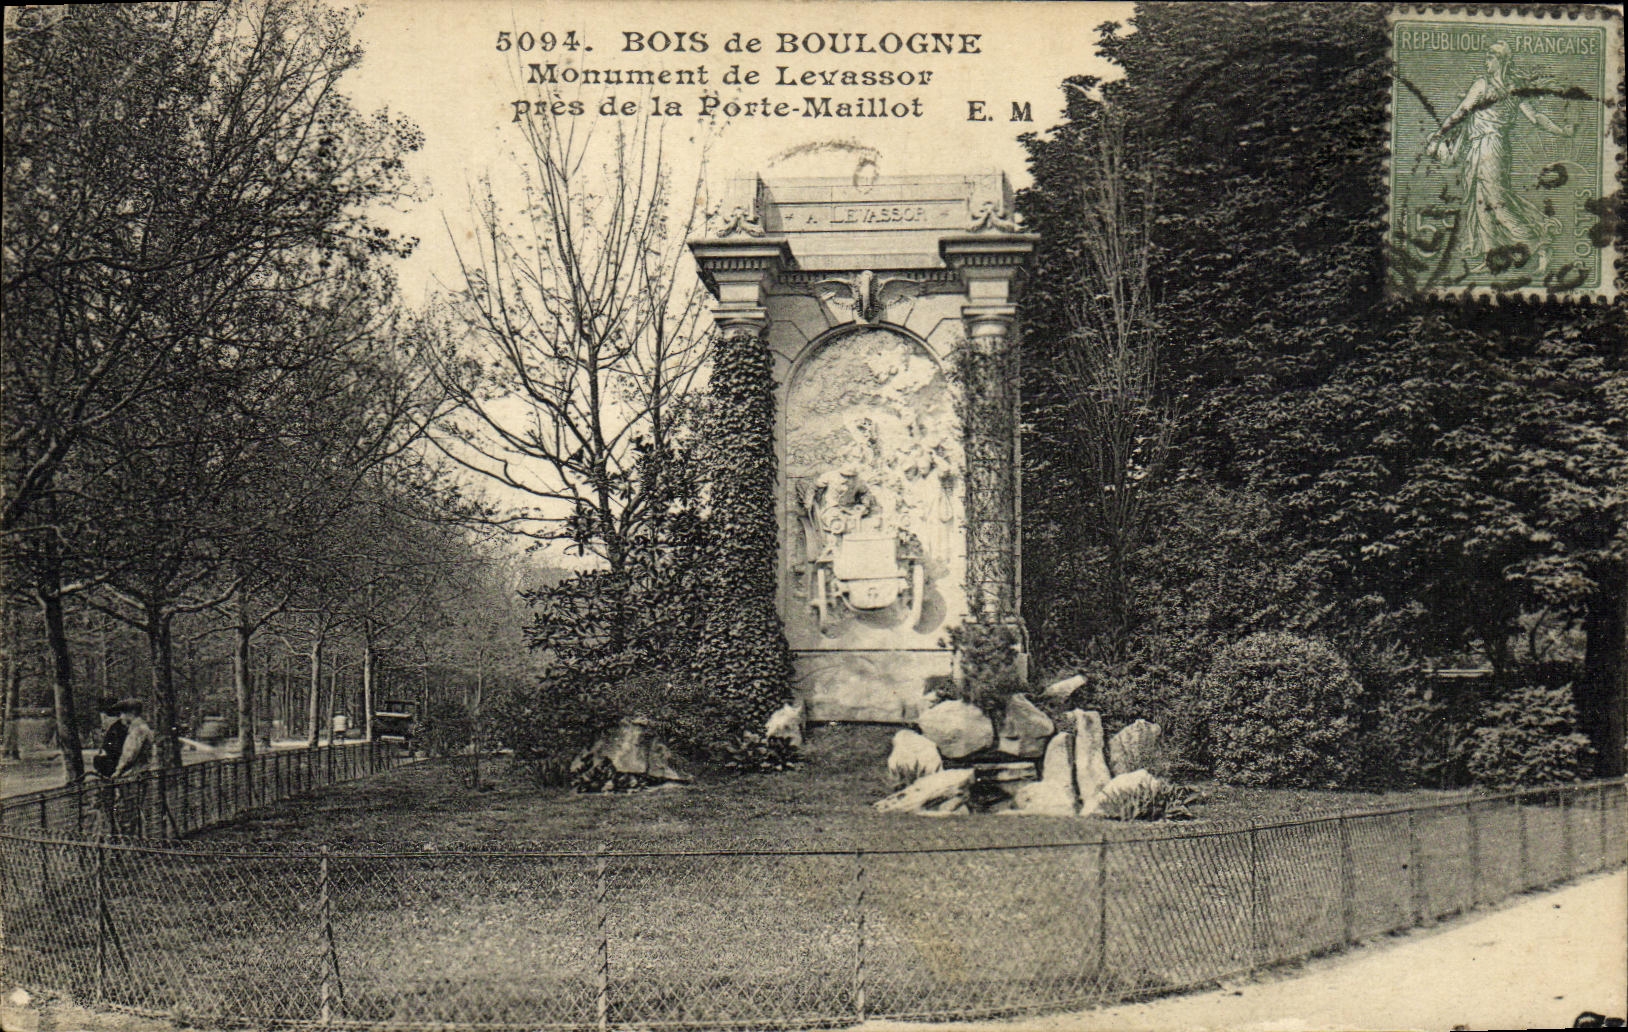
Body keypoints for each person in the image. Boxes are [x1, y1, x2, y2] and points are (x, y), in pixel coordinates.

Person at [1423, 42, 1575, 275]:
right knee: (1481, 201)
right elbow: (1533, 116)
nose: (1487, 61)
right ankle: (1492, 257)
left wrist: (1439, 135)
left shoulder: (1486, 86)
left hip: (1491, 147)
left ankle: (1538, 243)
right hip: (1484, 147)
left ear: (1502, 60)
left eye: (1491, 57)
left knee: (1497, 201)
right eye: (1487, 56)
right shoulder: (1508, 87)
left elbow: (1461, 113)